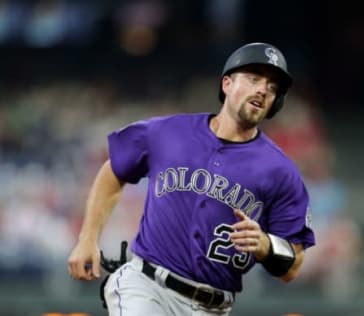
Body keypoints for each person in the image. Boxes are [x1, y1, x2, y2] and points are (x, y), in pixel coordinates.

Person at [67, 42, 316, 315]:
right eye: (254, 78)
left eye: (272, 87)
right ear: (227, 84)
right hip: (146, 287)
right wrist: (88, 238)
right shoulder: (168, 131)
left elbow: (293, 265)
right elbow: (113, 170)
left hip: (213, 307)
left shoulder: (281, 171)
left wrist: (266, 246)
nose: (262, 89)